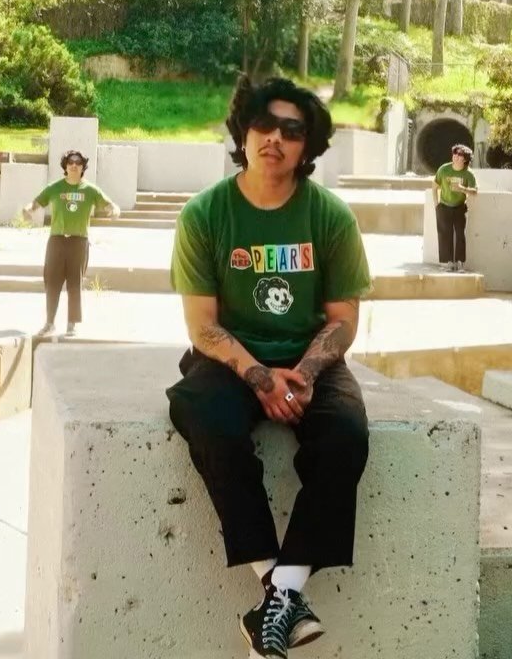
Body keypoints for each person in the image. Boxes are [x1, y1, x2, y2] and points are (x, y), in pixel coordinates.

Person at [166, 75, 372, 659]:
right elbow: (202, 327)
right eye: (262, 123)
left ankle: (280, 596)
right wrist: (257, 375)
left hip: (311, 358)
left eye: (291, 129)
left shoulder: (330, 216)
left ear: (308, 146)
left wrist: (303, 374)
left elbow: (343, 320)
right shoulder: (205, 214)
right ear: (243, 132)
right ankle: (278, 587)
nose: (274, 137)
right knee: (204, 417)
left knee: (345, 436)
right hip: (230, 355)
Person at [22, 150, 120, 339]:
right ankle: (49, 323)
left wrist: (114, 209)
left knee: (75, 283)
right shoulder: (54, 188)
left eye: (78, 162)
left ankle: (72, 324)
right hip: (57, 240)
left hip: (79, 241)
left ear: (83, 167)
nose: (74, 165)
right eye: (70, 162)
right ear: (65, 166)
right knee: (52, 282)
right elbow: (36, 203)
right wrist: (28, 209)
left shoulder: (90, 190)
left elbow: (109, 204)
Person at [433, 143, 478, 272]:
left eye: (459, 154)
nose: (456, 156)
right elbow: (434, 187)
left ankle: (460, 263)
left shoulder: (468, 174)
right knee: (445, 234)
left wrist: (462, 189)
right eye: (455, 153)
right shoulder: (443, 169)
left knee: (460, 235)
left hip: (460, 207)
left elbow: (475, 192)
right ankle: (448, 263)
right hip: (444, 206)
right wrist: (436, 205)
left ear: (465, 159)